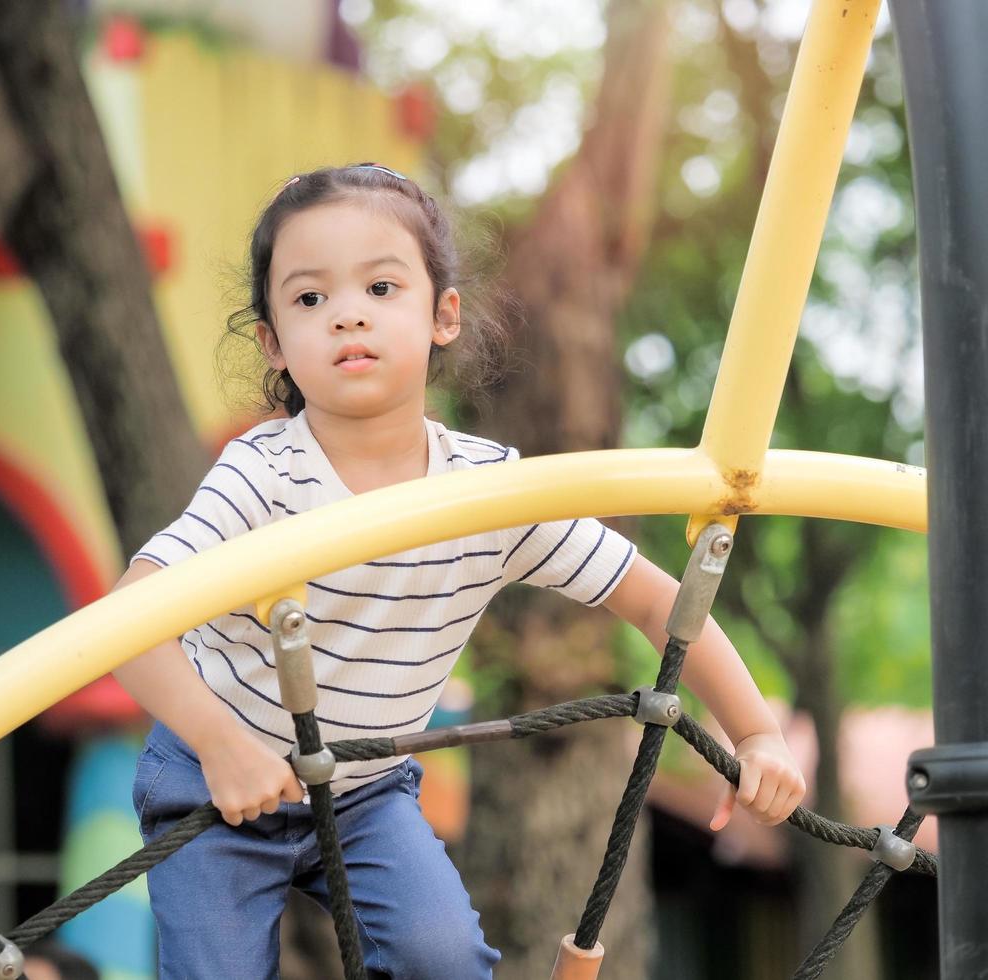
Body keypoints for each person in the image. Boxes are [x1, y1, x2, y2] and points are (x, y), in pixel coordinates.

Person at [113, 163, 806, 979]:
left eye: (379, 287)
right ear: (272, 340)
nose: (345, 317)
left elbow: (658, 600)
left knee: (442, 958)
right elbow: (131, 620)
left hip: (363, 788)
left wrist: (755, 732)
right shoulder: (263, 474)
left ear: (441, 314)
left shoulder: (486, 494)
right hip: (218, 778)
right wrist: (219, 744)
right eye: (309, 299)